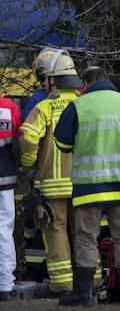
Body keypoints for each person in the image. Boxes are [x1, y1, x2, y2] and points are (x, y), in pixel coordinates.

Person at [54, 67, 120, 306]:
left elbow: (61, 143)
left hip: (90, 186)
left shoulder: (79, 105)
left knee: (86, 237)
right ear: (108, 79)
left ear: (84, 83)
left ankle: (84, 294)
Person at [18, 50, 82, 294]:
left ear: (54, 80)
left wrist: (29, 165)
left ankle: (63, 284)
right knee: (84, 234)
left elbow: (27, 137)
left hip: (53, 186)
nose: (43, 83)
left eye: (45, 78)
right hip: (83, 185)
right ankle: (92, 280)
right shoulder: (84, 104)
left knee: (55, 234)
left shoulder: (44, 107)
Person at [0, 93, 21, 300]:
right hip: (4, 176)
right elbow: (17, 135)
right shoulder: (8, 106)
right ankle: (5, 284)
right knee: (4, 230)